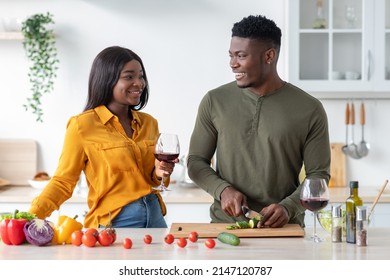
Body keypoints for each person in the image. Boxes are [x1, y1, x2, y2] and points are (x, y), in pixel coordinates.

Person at [187, 15, 330, 228]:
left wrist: (289, 207)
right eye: (231, 56)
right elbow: (196, 162)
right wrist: (223, 190)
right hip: (225, 227)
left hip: (285, 229)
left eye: (241, 56)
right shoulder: (214, 101)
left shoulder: (309, 108)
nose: (233, 64)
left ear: (269, 56)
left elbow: (318, 176)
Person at [29, 46, 177, 228]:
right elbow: (63, 182)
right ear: (107, 80)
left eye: (141, 76)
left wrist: (160, 172)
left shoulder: (149, 123)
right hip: (114, 222)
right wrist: (29, 217)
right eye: (129, 77)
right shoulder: (82, 125)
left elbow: (152, 179)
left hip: (155, 218)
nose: (139, 83)